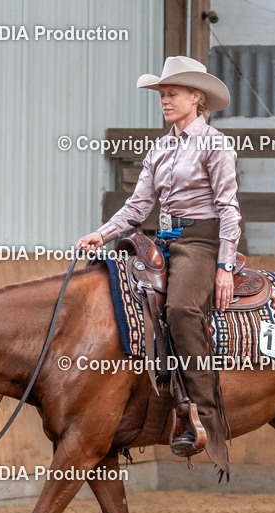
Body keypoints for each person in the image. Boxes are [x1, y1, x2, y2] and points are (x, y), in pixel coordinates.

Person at [75, 56, 242, 470]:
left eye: (172, 94)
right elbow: (138, 205)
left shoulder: (215, 144)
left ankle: (204, 413)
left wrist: (223, 266)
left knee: (182, 309)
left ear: (196, 98)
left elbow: (229, 209)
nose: (164, 100)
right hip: (162, 239)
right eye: (162, 94)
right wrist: (103, 233)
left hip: (200, 241)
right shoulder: (161, 147)